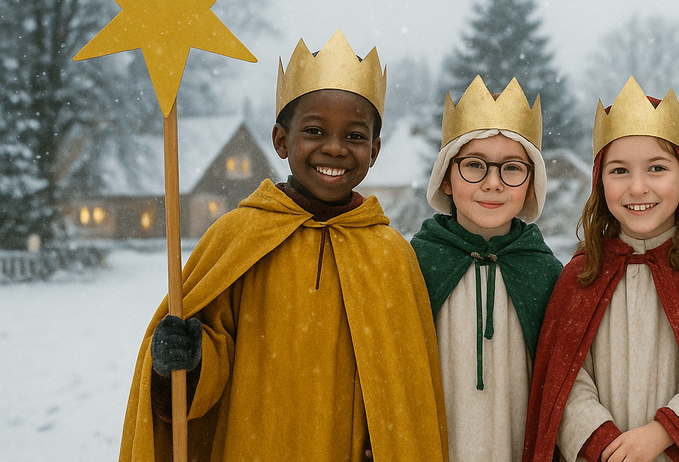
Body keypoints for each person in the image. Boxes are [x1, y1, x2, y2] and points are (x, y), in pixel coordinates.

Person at [117, 30, 448, 461]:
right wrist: (186, 362)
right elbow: (200, 370)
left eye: (354, 136)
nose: (334, 148)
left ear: (375, 150)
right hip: (251, 447)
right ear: (280, 140)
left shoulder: (390, 254)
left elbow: (405, 393)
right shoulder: (236, 237)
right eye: (314, 130)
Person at [523, 77, 679, 462]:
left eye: (656, 168)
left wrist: (663, 433)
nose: (638, 188)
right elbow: (564, 380)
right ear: (600, 183)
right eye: (619, 171)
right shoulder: (581, 277)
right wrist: (600, 440)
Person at [410, 75, 563, 460]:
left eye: (512, 168)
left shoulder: (546, 273)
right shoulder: (415, 264)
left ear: (531, 183)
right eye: (474, 165)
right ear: (446, 178)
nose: (493, 183)